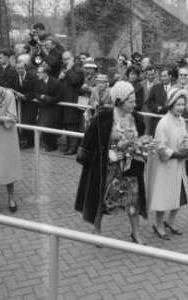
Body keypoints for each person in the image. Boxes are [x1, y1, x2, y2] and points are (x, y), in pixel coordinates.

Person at [75, 81, 147, 245]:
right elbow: (90, 140)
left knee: (133, 200)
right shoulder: (104, 117)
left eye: (135, 101)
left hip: (129, 169)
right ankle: (97, 230)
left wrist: (139, 151)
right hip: (107, 169)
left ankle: (136, 234)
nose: (135, 104)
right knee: (101, 199)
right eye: (131, 101)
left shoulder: (138, 119)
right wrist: (107, 153)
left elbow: (140, 141)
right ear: (120, 100)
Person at [145, 87, 188, 240]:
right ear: (171, 104)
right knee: (163, 196)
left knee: (180, 196)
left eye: (183, 104)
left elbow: (184, 138)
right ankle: (158, 224)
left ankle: (170, 222)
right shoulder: (163, 123)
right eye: (178, 104)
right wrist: (178, 154)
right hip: (165, 167)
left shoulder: (181, 120)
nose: (181, 108)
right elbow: (160, 148)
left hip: (178, 166)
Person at [0, 69, 22, 213]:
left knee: (7, 167)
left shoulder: (7, 94)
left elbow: (13, 117)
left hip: (5, 136)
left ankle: (11, 198)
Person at [59, 51, 84, 155]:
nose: (66, 61)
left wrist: (68, 70)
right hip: (64, 102)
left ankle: (73, 147)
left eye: (68, 58)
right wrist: (60, 78)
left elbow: (74, 81)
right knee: (67, 124)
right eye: (64, 59)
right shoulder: (64, 71)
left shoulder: (78, 70)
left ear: (72, 58)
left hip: (73, 102)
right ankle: (69, 145)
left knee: (72, 124)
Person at [34, 65, 62, 152]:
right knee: (42, 125)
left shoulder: (56, 82)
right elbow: (36, 93)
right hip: (43, 107)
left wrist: (49, 99)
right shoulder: (38, 81)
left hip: (53, 108)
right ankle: (48, 144)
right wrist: (43, 96)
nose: (37, 74)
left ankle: (52, 145)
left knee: (49, 126)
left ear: (45, 73)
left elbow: (59, 97)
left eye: (39, 72)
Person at [10, 61, 37, 149]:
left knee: (28, 122)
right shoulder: (13, 76)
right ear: (15, 69)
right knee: (19, 122)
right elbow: (10, 88)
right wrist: (15, 95)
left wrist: (25, 97)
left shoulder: (32, 77)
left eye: (21, 68)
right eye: (18, 68)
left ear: (25, 68)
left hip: (29, 104)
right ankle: (21, 140)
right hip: (18, 104)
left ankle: (30, 142)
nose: (20, 70)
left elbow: (36, 91)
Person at [146, 68, 172, 135]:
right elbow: (149, 102)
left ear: (170, 76)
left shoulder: (175, 87)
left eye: (164, 76)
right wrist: (156, 107)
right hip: (157, 120)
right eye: (161, 76)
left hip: (171, 120)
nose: (162, 78)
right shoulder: (155, 88)